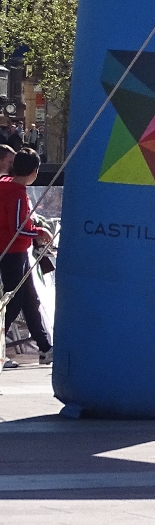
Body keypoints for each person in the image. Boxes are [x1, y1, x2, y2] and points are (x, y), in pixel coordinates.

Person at [0, 148, 51, 366]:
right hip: (14, 251)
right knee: (14, 300)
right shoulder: (18, 193)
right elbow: (18, 228)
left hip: (10, 250)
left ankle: (45, 347)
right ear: (34, 172)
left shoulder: (4, 184)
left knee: (30, 298)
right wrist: (40, 232)